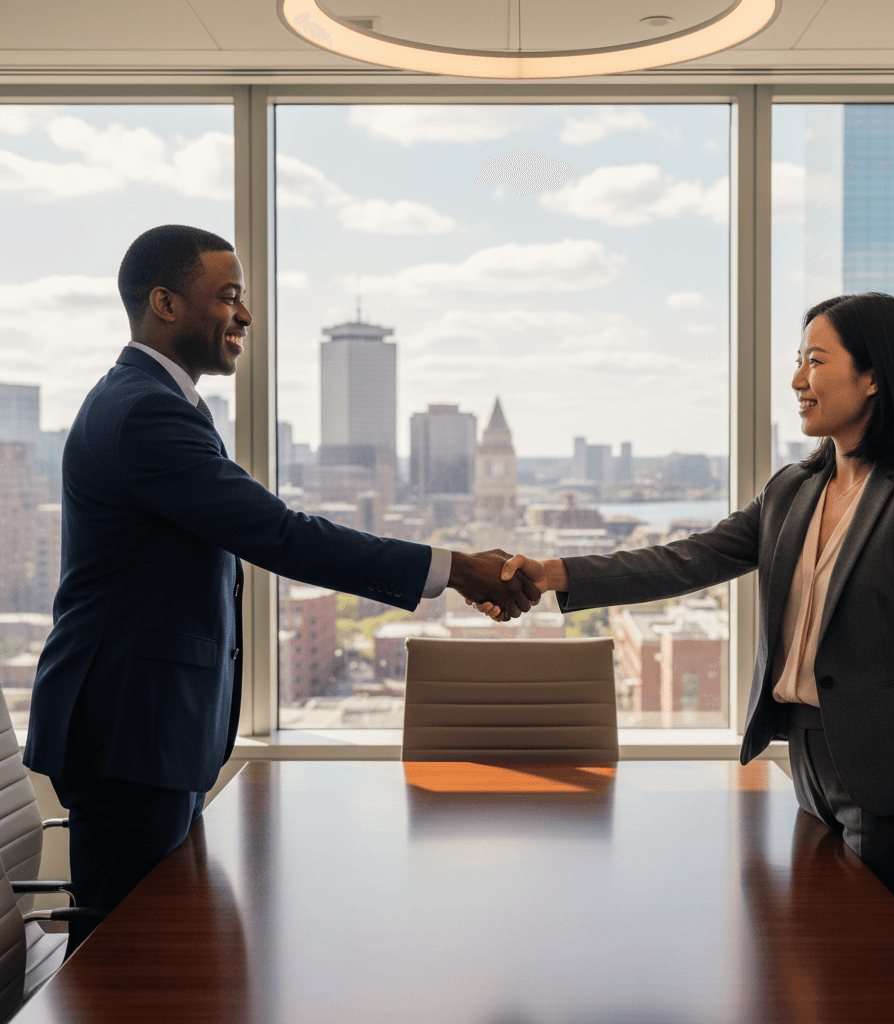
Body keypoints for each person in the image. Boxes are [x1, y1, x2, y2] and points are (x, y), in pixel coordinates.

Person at [24, 224, 539, 944]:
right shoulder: (145, 411)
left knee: (165, 948)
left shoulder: (153, 401)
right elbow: (278, 533)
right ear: (165, 304)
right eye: (228, 296)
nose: (245, 316)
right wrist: (454, 570)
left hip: (147, 727)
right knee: (130, 959)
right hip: (130, 729)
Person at [479, 292, 894, 949]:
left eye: (815, 362)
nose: (798, 380)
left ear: (873, 376)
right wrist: (554, 575)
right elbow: (684, 561)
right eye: (797, 362)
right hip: (807, 763)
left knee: (892, 975)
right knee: (820, 956)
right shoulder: (791, 491)